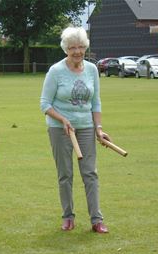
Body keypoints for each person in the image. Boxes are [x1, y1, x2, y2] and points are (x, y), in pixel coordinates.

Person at [40, 26, 110, 234]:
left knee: (90, 173)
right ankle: (68, 216)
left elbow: (96, 102)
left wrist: (99, 129)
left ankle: (96, 220)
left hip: (86, 127)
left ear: (85, 47)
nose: (77, 51)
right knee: (65, 174)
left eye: (80, 47)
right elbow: (45, 104)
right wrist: (62, 119)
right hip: (60, 129)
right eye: (72, 48)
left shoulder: (91, 69)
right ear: (66, 49)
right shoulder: (56, 71)